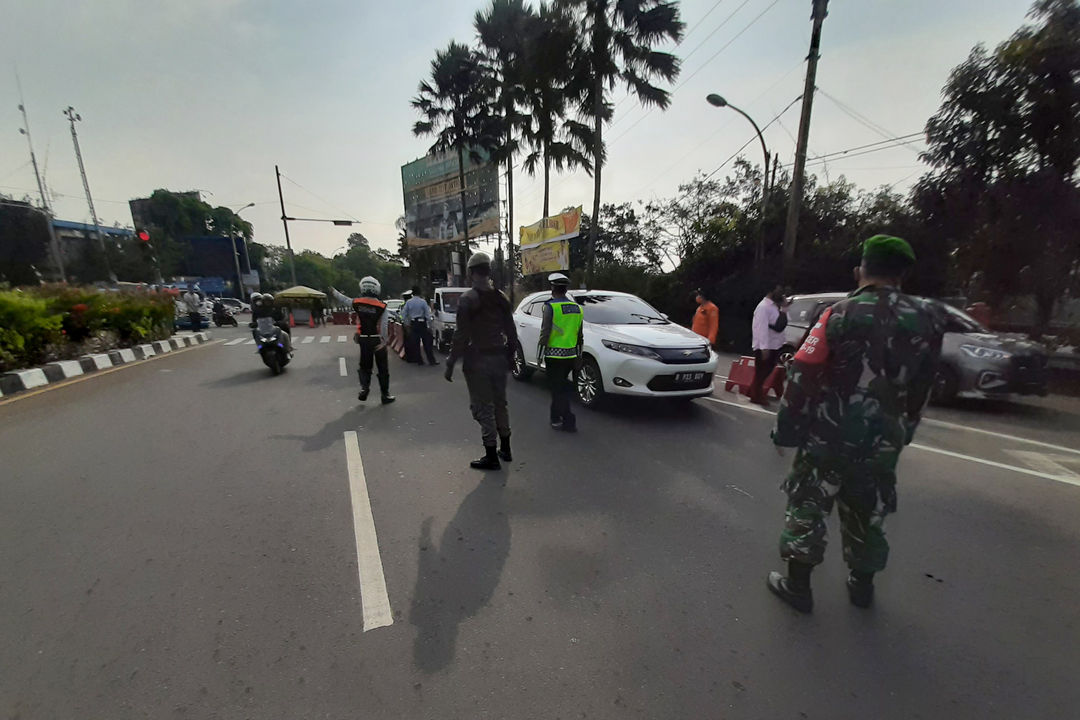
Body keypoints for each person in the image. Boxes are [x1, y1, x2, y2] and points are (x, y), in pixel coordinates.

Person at [766, 235, 944, 613]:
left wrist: (786, 430)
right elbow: (924, 383)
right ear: (904, 275)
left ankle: (798, 587)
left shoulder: (839, 313)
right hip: (884, 438)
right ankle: (861, 587)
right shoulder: (927, 319)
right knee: (869, 508)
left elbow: (804, 372)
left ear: (860, 270)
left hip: (828, 433)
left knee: (809, 504)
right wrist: (905, 428)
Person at [443, 252, 517, 470]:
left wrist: (450, 363)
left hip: (478, 361)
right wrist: (510, 358)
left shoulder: (468, 299)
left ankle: (491, 455)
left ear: (471, 273)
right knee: (500, 404)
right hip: (499, 359)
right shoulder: (501, 298)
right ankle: (506, 448)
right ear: (488, 271)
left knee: (483, 408)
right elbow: (511, 333)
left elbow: (461, 336)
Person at [537, 273, 584, 432]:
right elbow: (579, 335)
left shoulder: (550, 307)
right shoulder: (577, 308)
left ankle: (569, 419)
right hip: (570, 355)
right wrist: (579, 355)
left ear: (552, 288)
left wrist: (539, 354)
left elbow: (545, 332)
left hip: (554, 355)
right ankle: (555, 418)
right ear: (565, 289)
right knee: (559, 387)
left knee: (557, 390)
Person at [353, 276, 395, 404]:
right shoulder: (382, 306)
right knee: (383, 368)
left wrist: (333, 292)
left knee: (365, 367)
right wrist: (384, 341)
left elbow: (343, 299)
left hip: (364, 340)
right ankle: (385, 395)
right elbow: (384, 326)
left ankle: (364, 389)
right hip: (377, 340)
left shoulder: (357, 303)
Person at [748, 285, 787, 405]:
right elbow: (761, 328)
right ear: (771, 291)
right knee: (762, 372)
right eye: (778, 290)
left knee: (765, 371)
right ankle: (756, 396)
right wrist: (764, 347)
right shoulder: (763, 307)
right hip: (766, 346)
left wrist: (784, 309)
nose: (781, 293)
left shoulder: (774, 307)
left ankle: (753, 391)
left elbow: (781, 325)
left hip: (774, 344)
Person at [403, 285, 438, 366]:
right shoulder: (423, 302)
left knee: (416, 343)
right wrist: (430, 326)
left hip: (413, 324)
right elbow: (427, 315)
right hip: (422, 323)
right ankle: (431, 361)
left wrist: (407, 324)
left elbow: (404, 314)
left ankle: (419, 360)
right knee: (427, 343)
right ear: (419, 292)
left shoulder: (409, 302)